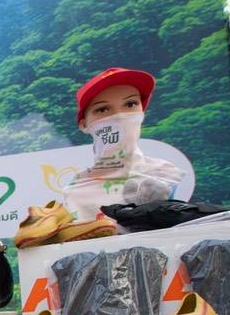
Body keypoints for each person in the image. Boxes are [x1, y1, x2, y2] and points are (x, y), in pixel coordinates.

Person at [63, 67, 183, 221]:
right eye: (103, 109)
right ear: (84, 124)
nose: (119, 115)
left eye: (130, 104)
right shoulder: (77, 189)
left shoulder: (163, 173)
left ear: (142, 112)